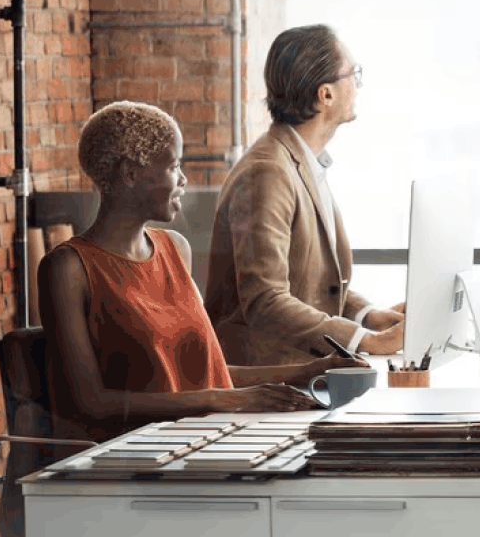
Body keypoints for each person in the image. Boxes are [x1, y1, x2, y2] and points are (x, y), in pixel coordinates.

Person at [42, 102, 351, 441]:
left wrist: (309, 371)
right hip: (130, 456)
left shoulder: (175, 249)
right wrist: (226, 400)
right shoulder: (69, 268)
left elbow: (208, 375)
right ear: (131, 174)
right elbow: (93, 404)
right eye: (174, 165)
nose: (184, 179)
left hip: (200, 439)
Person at [207, 25, 405, 364]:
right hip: (267, 377)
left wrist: (367, 316)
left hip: (301, 368)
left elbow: (309, 282)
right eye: (353, 74)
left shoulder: (301, 161)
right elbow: (266, 300)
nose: (357, 85)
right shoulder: (267, 172)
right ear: (325, 94)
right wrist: (367, 341)